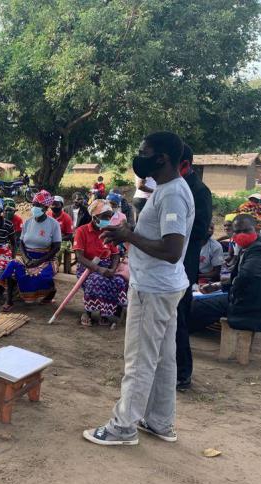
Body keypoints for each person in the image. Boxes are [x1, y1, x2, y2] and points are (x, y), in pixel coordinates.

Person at [83, 131, 194, 446]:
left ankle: (123, 427)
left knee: (140, 358)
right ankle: (159, 421)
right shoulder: (167, 189)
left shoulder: (172, 194)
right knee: (162, 358)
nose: (139, 155)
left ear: (161, 158)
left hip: (154, 289)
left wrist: (129, 236)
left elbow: (172, 249)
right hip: (163, 286)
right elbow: (160, 238)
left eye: (144, 151)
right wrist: (127, 232)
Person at [189, 214, 261, 334]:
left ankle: (184, 333)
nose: (242, 235)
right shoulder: (251, 246)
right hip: (254, 300)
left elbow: (245, 279)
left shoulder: (260, 250)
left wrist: (227, 293)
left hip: (257, 309)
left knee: (197, 305)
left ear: (256, 229)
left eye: (246, 230)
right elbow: (240, 277)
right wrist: (217, 286)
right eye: (237, 231)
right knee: (203, 303)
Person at [174, 143, 213, 391]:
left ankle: (182, 374)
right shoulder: (172, 186)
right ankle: (169, 369)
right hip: (170, 263)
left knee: (177, 319)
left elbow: (199, 231)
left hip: (182, 265)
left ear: (184, 164)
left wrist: (171, 238)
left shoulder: (198, 191)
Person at [1, 190, 61, 310]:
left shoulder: (53, 224)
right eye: (34, 205)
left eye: (38, 205)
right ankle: (9, 300)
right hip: (27, 256)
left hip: (46, 257)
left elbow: (56, 247)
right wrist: (26, 258)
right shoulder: (28, 222)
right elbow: (21, 242)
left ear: (45, 207)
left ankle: (50, 292)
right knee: (11, 267)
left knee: (39, 274)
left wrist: (38, 262)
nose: (34, 208)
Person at [72, 200, 127, 327]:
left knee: (119, 281)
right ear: (95, 216)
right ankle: (88, 312)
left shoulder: (108, 231)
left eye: (109, 216)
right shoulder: (82, 231)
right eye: (105, 217)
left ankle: (105, 313)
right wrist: (99, 269)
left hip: (107, 266)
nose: (108, 219)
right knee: (96, 280)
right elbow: (80, 257)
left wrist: (113, 269)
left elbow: (115, 254)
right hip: (87, 267)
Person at [48, 195, 74, 268]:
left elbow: (70, 235)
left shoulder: (67, 218)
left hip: (63, 240)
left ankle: (55, 267)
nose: (54, 206)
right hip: (49, 239)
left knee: (56, 251)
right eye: (52, 204)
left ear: (61, 205)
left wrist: (57, 239)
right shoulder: (48, 215)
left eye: (56, 204)